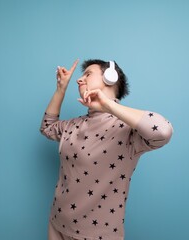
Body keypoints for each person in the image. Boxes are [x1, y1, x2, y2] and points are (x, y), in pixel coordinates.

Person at [40, 59, 173, 240]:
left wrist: (109, 105)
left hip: (98, 235)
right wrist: (60, 89)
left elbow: (163, 131)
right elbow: (47, 127)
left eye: (87, 74)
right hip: (57, 224)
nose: (79, 80)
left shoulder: (127, 131)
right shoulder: (73, 125)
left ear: (110, 78)